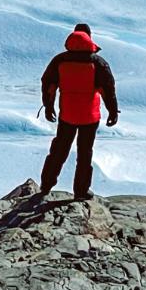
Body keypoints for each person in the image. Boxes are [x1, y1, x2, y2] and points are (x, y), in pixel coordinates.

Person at [38, 23, 119, 200]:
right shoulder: (97, 62)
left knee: (59, 150)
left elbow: (48, 85)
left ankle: (46, 185)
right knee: (84, 154)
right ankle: (81, 192)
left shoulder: (60, 60)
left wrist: (48, 106)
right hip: (90, 117)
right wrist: (113, 111)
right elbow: (108, 89)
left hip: (67, 114)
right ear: (89, 37)